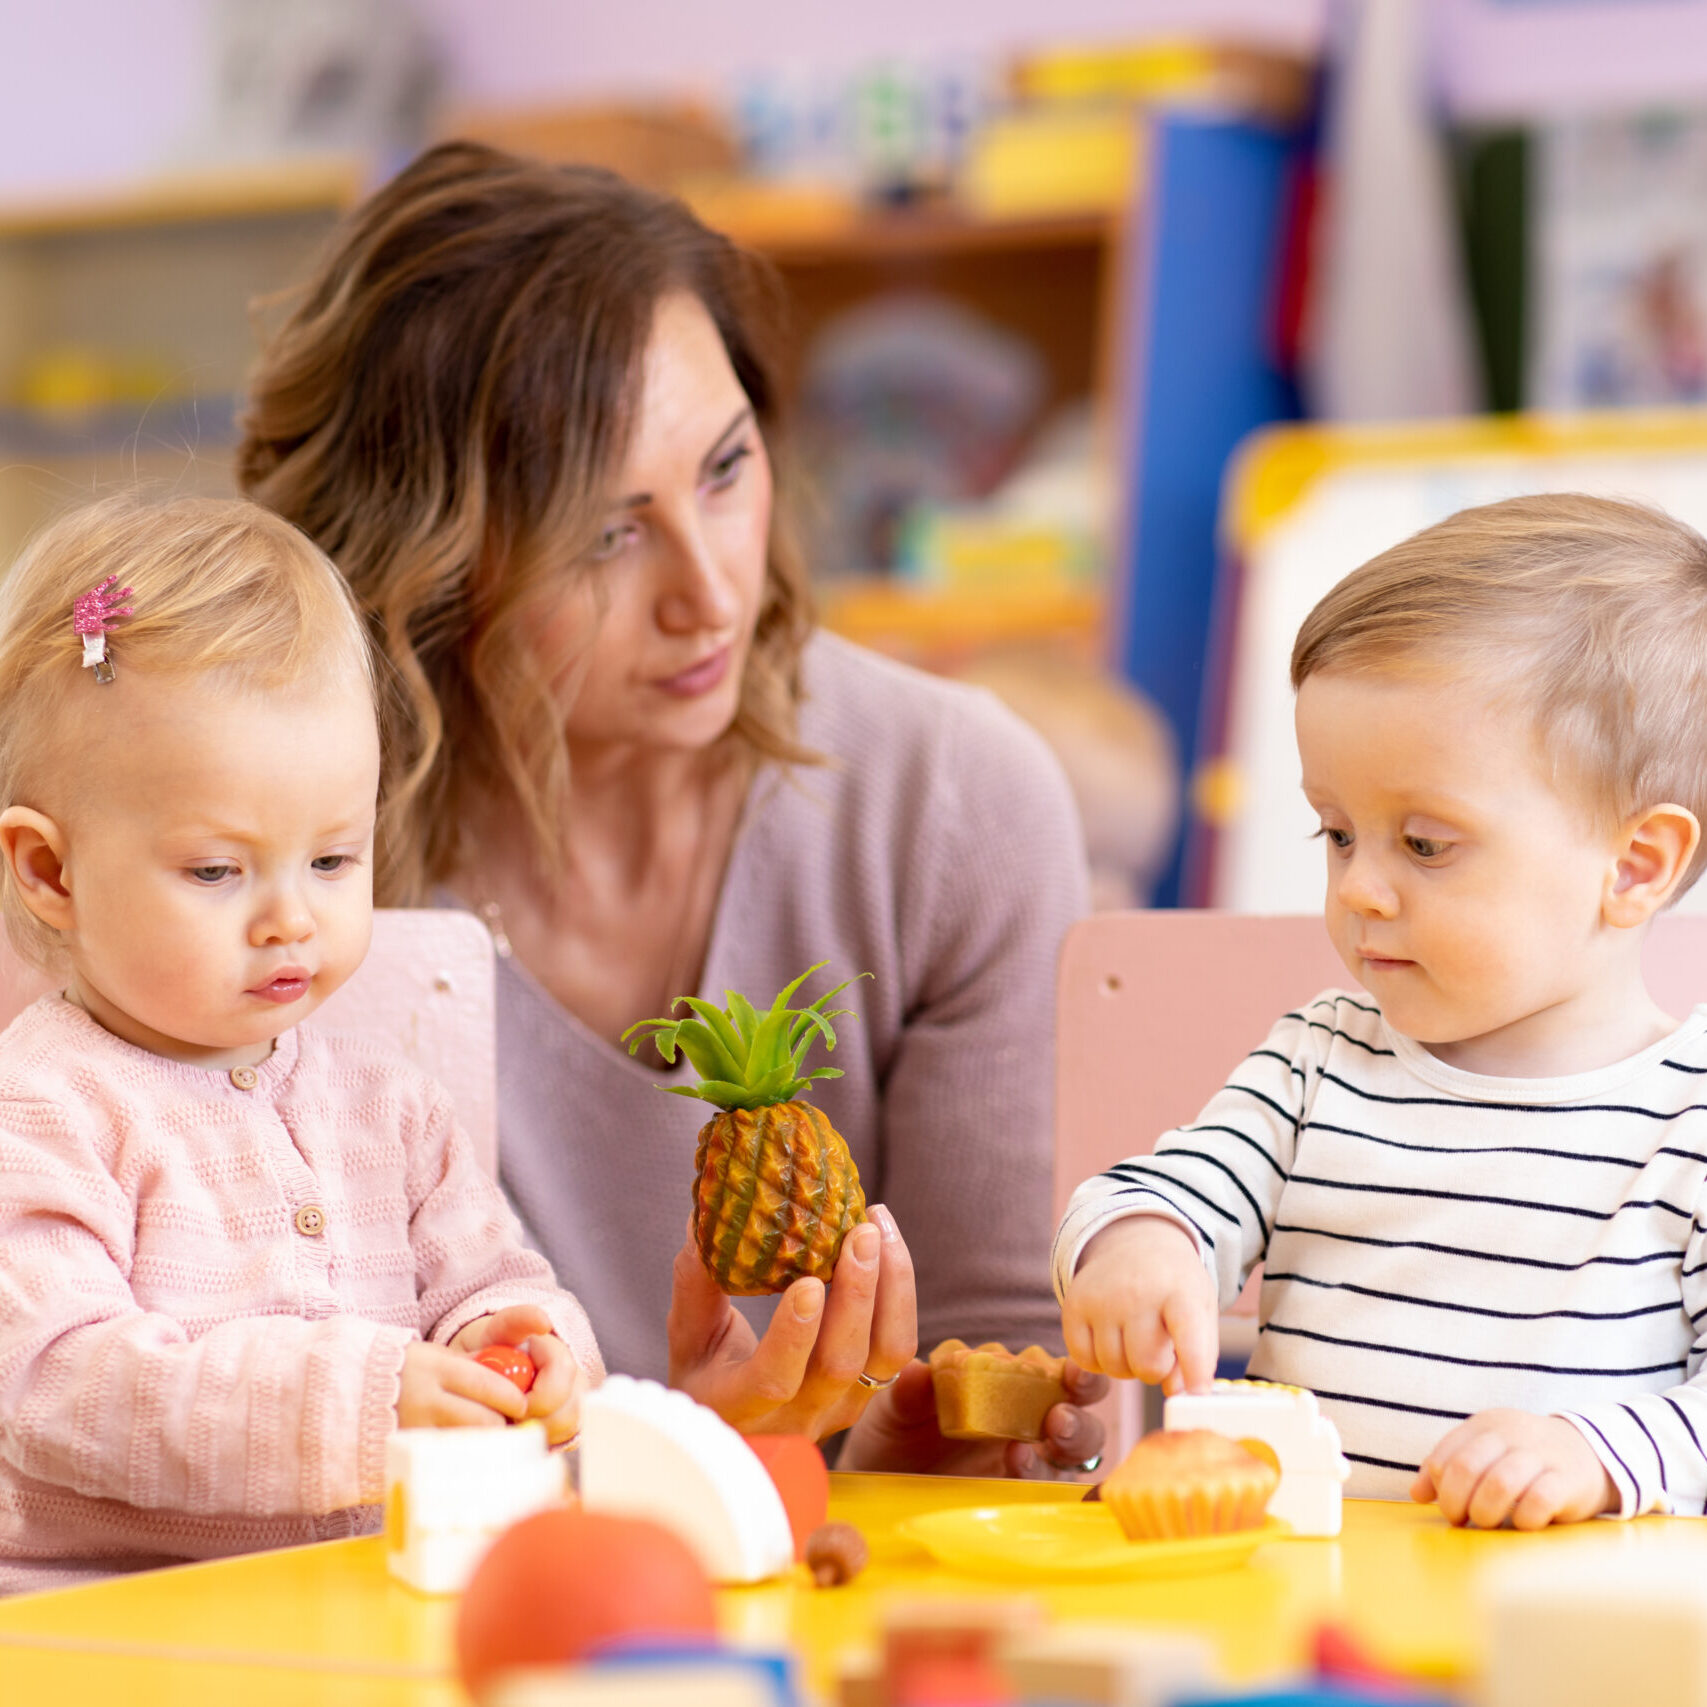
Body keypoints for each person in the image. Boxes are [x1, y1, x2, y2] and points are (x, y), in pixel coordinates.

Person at [235, 139, 1105, 1474]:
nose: (709, 590)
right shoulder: (266, 878)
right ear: (428, 563)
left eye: (723, 465)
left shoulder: (948, 802)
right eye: (604, 531)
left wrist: (810, 1447)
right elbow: (240, 1423)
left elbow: (1014, 1414)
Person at [1058, 493, 1707, 1528]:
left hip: (1544, 1650)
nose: (1361, 888)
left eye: (1425, 844)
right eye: (1338, 833)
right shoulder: (1319, 1064)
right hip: (1290, 1612)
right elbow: (1163, 1189)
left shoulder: (1688, 1124)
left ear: (1634, 867)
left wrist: (1600, 1453)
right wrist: (1145, 1243)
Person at [0, 495, 603, 1593]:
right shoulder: (43, 1112)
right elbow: (56, 1386)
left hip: (365, 1609)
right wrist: (365, 1402)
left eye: (332, 860)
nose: (292, 918)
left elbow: (486, 1279)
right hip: (110, 1632)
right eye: (218, 871)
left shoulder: (393, 1112)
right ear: (52, 873)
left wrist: (523, 1342)